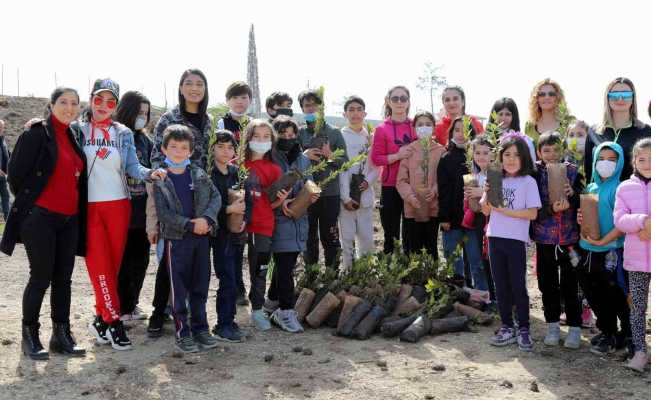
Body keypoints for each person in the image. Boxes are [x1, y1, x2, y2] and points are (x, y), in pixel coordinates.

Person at [0, 87, 87, 360]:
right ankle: (30, 336)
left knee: (64, 279)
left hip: (69, 219)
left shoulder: (74, 135)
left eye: (74, 103)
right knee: (40, 277)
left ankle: (61, 336)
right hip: (40, 219)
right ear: (51, 105)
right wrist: (34, 207)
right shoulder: (36, 132)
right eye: (63, 102)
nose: (69, 107)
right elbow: (15, 175)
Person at [78, 78, 164, 351]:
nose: (104, 106)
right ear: (91, 99)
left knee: (112, 268)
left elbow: (132, 166)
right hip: (89, 208)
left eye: (110, 102)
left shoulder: (122, 133)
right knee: (100, 268)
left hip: (119, 206)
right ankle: (113, 322)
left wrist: (150, 173)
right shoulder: (76, 130)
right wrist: (38, 127)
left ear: (116, 105)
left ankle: (101, 320)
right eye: (99, 99)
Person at [147, 69, 212, 336]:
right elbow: (155, 157)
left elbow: (207, 159)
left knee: (193, 264)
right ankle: (159, 311)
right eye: (189, 84)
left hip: (199, 196)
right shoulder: (169, 118)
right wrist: (166, 185)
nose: (194, 88)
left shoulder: (208, 120)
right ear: (181, 88)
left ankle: (191, 318)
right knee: (168, 260)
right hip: (172, 195)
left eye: (200, 84)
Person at [152, 125, 221, 353]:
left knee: (200, 285)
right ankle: (183, 331)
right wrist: (190, 224)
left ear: (191, 151)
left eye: (184, 147)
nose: (179, 151)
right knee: (179, 288)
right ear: (164, 149)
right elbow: (164, 215)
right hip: (177, 240)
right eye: (173, 147)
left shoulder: (199, 174)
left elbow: (216, 197)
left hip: (201, 238)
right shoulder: (161, 179)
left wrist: (208, 219)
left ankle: (201, 328)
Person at [481, 133, 541, 352]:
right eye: (507, 155)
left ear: (524, 158)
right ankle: (507, 326)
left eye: (516, 155)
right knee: (501, 286)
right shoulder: (496, 178)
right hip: (495, 237)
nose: (511, 159)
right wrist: (486, 195)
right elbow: (485, 210)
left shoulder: (528, 182)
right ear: (501, 157)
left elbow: (533, 214)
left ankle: (524, 328)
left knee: (518, 286)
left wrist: (506, 210)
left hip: (516, 241)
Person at [531, 131, 584, 349]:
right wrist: (551, 209)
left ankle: (574, 328)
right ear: (539, 152)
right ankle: (552, 325)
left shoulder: (573, 171)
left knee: (572, 285)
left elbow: (585, 202)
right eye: (546, 150)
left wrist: (573, 195)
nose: (551, 155)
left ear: (563, 151)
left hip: (570, 241)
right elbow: (533, 209)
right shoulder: (533, 174)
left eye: (555, 150)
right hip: (545, 241)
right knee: (547, 285)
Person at [267, 116, 319, 332]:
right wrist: (282, 202)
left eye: (292, 134)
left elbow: (308, 182)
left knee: (285, 264)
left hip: (299, 220)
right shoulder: (270, 159)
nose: (288, 138)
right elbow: (266, 193)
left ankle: (270, 303)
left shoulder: (303, 160)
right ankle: (286, 311)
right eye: (283, 134)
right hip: (279, 220)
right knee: (286, 266)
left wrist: (310, 195)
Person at [577, 141, 630, 355]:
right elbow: (587, 218)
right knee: (593, 293)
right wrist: (581, 219)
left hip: (611, 251)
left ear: (620, 163)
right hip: (588, 250)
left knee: (616, 294)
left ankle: (625, 335)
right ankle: (607, 331)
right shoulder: (590, 187)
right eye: (601, 158)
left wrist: (604, 241)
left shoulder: (621, 189)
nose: (605, 163)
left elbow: (622, 223)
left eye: (612, 159)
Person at [244, 119, 287, 331]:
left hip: (262, 225)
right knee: (229, 270)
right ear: (248, 138)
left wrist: (281, 198)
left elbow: (274, 204)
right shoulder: (237, 165)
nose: (261, 141)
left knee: (259, 268)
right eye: (256, 136)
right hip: (236, 227)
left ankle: (258, 309)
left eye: (266, 137)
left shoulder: (275, 170)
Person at [297, 89, 347, 269]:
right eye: (306, 105)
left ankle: (332, 275)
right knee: (308, 236)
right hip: (305, 194)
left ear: (321, 107)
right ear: (302, 108)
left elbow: (345, 163)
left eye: (314, 104)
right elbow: (291, 162)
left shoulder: (334, 132)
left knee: (331, 236)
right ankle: (311, 275)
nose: (311, 108)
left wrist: (330, 155)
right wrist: (304, 155)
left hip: (329, 194)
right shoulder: (299, 133)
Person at [114, 91, 153, 322]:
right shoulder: (115, 135)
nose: (143, 117)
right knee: (123, 259)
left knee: (140, 259)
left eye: (146, 114)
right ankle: (120, 306)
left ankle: (132, 303)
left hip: (142, 210)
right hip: (120, 207)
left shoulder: (146, 140)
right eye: (139, 112)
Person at [614, 137, 651, 372]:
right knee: (637, 307)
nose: (647, 163)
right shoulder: (625, 188)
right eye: (642, 159)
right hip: (636, 261)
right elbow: (619, 219)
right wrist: (642, 221)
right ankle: (640, 351)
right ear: (634, 162)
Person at [438, 118, 486, 290]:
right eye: (457, 130)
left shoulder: (478, 160)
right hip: (452, 220)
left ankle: (482, 295)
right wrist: (444, 218)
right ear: (451, 133)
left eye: (465, 130)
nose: (461, 133)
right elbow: (443, 191)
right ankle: (459, 294)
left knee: (476, 261)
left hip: (473, 221)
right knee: (454, 261)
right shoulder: (446, 158)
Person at [215, 81, 252, 305]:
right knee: (225, 239)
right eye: (235, 97)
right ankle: (230, 286)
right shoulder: (221, 123)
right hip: (224, 180)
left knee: (239, 236)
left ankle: (239, 287)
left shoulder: (251, 123)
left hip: (242, 179)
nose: (240, 102)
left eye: (244, 97)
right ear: (228, 100)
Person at [209, 130, 247, 342]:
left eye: (230, 147)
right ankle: (221, 324)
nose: (225, 151)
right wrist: (227, 210)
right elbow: (205, 205)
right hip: (213, 232)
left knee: (232, 277)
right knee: (224, 276)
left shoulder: (235, 172)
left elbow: (243, 199)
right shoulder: (207, 173)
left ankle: (228, 320)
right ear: (212, 148)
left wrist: (242, 220)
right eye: (220, 146)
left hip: (232, 232)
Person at [371, 86, 417, 254]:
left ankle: (409, 269)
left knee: (410, 231)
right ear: (388, 101)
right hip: (390, 186)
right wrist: (398, 155)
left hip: (412, 185)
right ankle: (391, 268)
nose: (399, 102)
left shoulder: (416, 126)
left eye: (403, 98)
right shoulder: (381, 129)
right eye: (395, 98)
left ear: (408, 102)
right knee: (390, 232)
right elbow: (376, 159)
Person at [584, 77, 651, 183]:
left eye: (626, 95)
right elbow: (588, 170)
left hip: (634, 197)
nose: (620, 99)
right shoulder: (593, 131)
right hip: (600, 197)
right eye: (614, 95)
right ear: (607, 98)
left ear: (633, 98)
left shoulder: (646, 131)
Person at [396, 111, 444, 257]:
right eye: (420, 125)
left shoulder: (441, 151)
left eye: (428, 124)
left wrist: (435, 189)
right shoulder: (409, 150)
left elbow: (444, 178)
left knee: (431, 245)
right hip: (413, 206)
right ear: (414, 128)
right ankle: (415, 278)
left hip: (432, 205)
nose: (424, 127)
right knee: (414, 246)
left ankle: (431, 277)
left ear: (434, 128)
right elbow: (401, 180)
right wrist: (410, 197)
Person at [338, 96, 378, 268]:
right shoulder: (339, 136)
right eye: (351, 110)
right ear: (344, 114)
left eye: (359, 109)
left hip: (366, 195)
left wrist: (368, 181)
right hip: (345, 197)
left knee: (367, 238)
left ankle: (366, 272)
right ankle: (347, 272)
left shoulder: (371, 137)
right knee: (346, 238)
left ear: (365, 113)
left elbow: (377, 165)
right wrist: (345, 197)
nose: (355, 113)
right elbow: (341, 169)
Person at [488, 97, 536, 162]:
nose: (503, 118)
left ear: (514, 116)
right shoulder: (486, 140)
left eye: (507, 114)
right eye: (500, 114)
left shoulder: (525, 141)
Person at [524, 78, 572, 142]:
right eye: (542, 94)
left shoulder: (569, 122)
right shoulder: (530, 126)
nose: (547, 97)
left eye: (551, 94)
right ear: (536, 99)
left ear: (557, 98)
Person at [0, 119, 10, 221]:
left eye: (2, 127)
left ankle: (8, 220)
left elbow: (7, 155)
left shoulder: (2, 140)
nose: (1, 129)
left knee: (5, 197)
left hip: (3, 176)